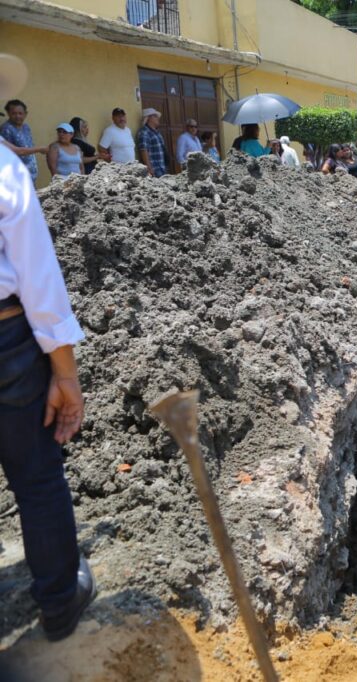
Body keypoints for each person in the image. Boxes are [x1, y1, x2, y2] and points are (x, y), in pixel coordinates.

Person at [0, 53, 94, 643]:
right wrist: (65, 374)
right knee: (36, 479)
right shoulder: (5, 170)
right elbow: (38, 281)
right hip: (6, 342)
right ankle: (59, 600)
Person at [1, 98, 46, 184]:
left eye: (20, 113)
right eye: (14, 113)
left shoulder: (26, 127)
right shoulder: (6, 129)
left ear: (25, 114)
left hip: (30, 177)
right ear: (8, 114)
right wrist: (40, 149)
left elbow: (28, 147)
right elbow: (13, 152)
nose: (17, 116)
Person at [136, 108, 168, 177]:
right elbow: (144, 151)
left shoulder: (157, 132)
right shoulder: (144, 132)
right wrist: (149, 169)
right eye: (155, 116)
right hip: (154, 169)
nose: (158, 118)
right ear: (148, 118)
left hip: (161, 168)